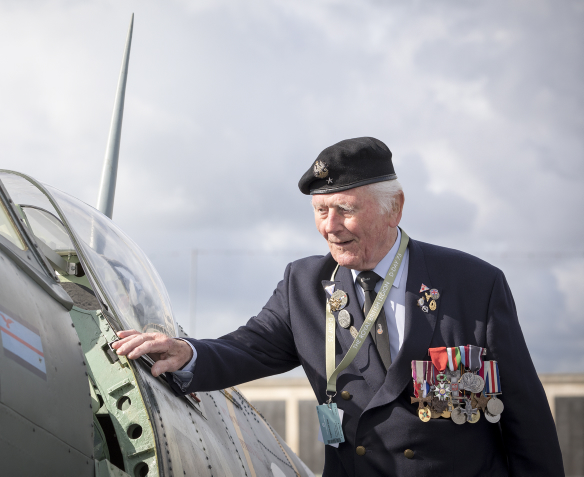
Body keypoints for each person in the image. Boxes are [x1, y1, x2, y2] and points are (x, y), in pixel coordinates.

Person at [112, 137, 563, 476]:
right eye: (320, 210)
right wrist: (188, 353)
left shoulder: (473, 285)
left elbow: (526, 416)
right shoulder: (304, 285)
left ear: (394, 208)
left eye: (344, 209)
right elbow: (250, 347)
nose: (330, 227)